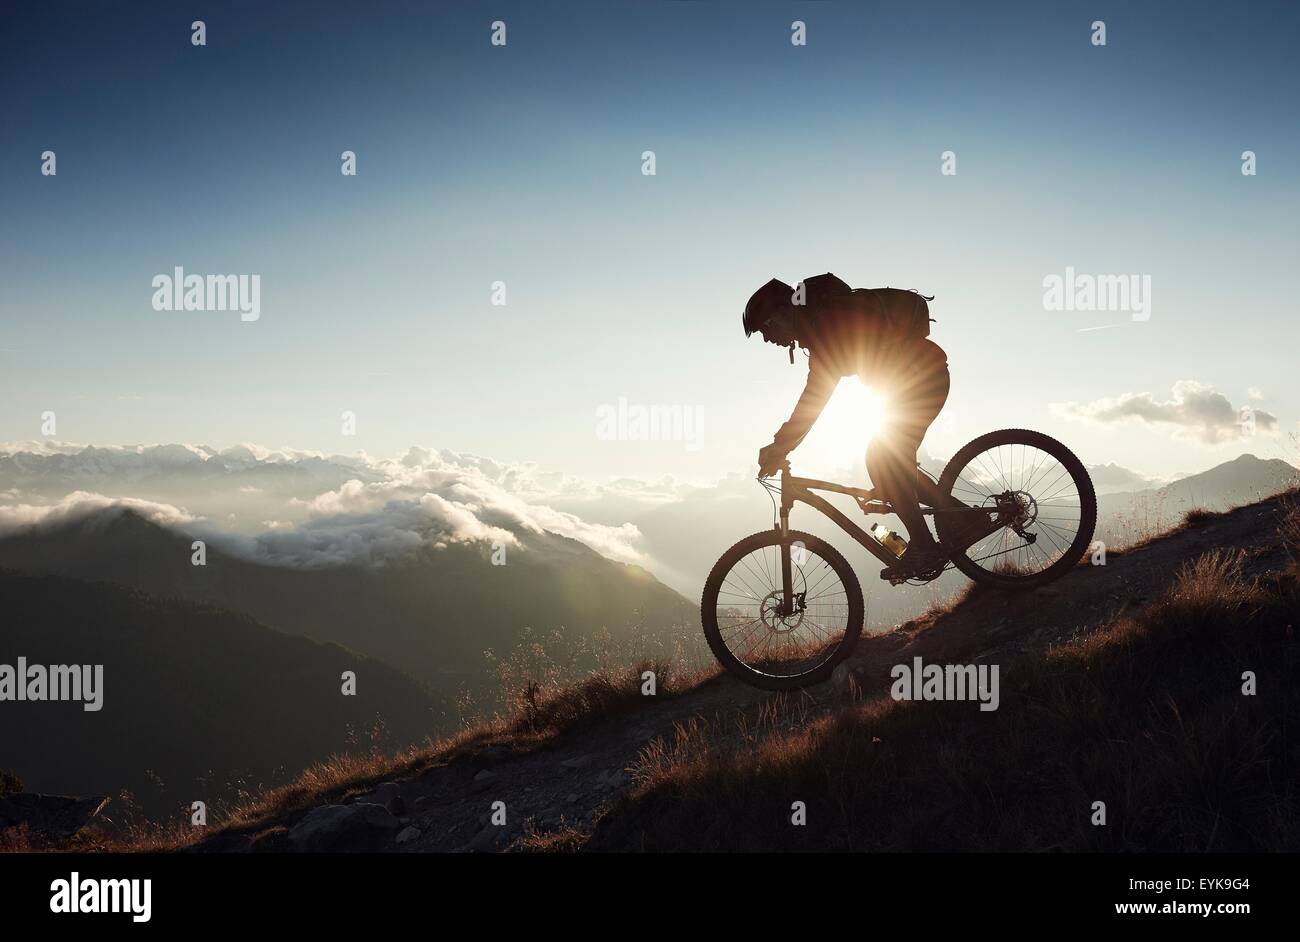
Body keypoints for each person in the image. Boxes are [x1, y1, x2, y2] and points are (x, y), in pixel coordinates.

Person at [742, 275, 951, 580]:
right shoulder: (820, 332)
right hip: (917, 379)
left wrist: (779, 446)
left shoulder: (826, 329)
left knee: (885, 460)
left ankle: (924, 547)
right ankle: (959, 520)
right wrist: (781, 445)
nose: (767, 338)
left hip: (920, 380)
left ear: (781, 316)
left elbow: (812, 402)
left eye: (765, 329)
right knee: (884, 465)